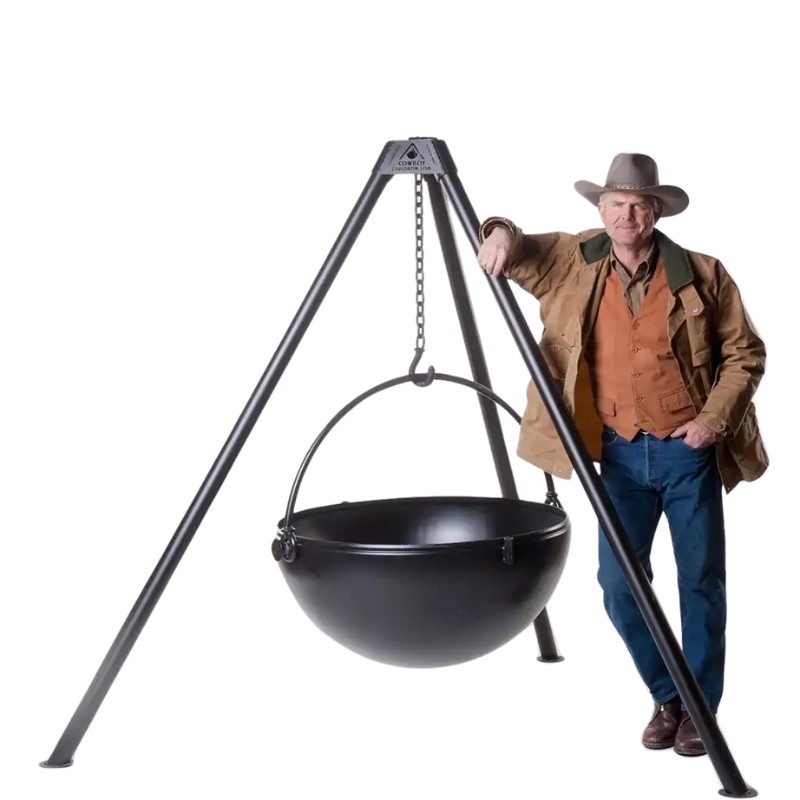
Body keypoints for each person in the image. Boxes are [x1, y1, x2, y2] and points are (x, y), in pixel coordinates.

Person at [476, 153, 767, 756]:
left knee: (701, 584)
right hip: (617, 456)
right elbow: (518, 245)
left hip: (687, 454)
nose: (626, 215)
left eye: (638, 205)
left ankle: (699, 711)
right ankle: (669, 695)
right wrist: (498, 231)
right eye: (614, 204)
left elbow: (745, 355)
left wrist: (711, 424)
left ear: (655, 211)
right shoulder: (573, 260)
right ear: (601, 210)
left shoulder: (704, 273)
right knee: (617, 583)